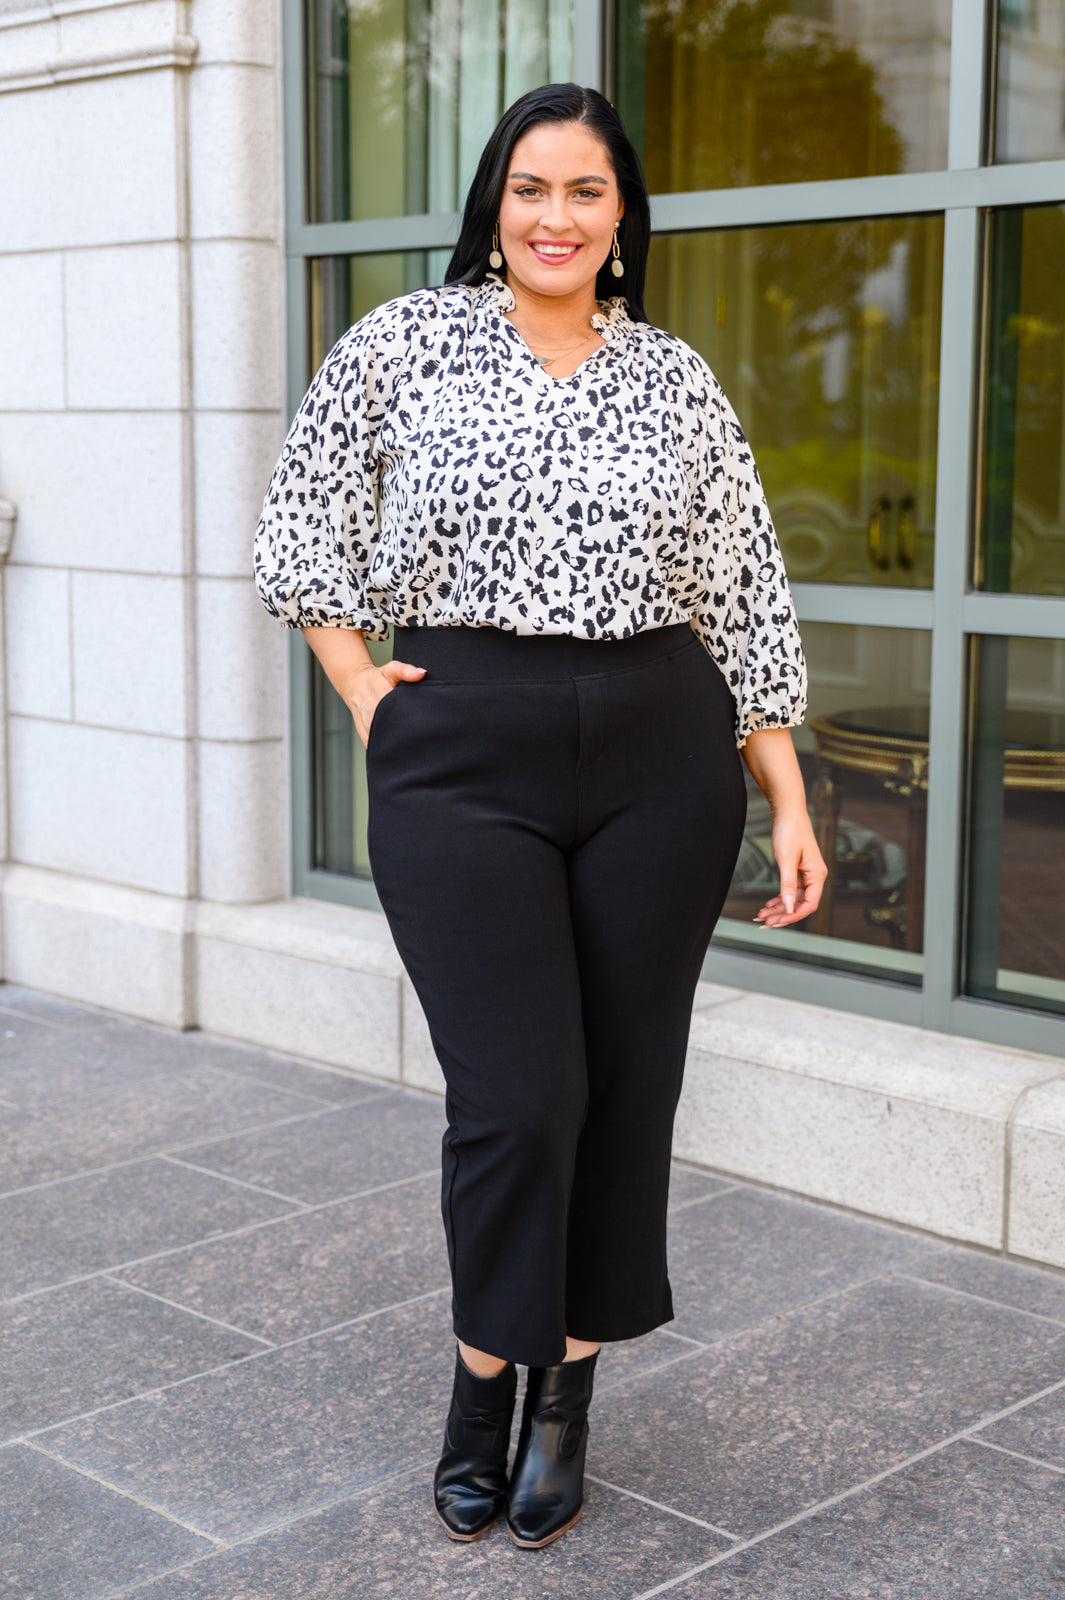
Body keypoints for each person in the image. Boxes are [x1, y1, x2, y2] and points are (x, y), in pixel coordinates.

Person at [253, 81, 827, 1551]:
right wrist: (366, 692)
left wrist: (786, 793)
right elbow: (298, 518)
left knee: (626, 1087)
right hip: (463, 753)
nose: (554, 217)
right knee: (518, 1100)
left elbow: (744, 590)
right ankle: (477, 1387)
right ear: (492, 206)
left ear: (623, 216)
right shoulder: (405, 342)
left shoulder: (674, 380)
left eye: (583, 191)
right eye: (529, 189)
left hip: (657, 751)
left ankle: (565, 1396)